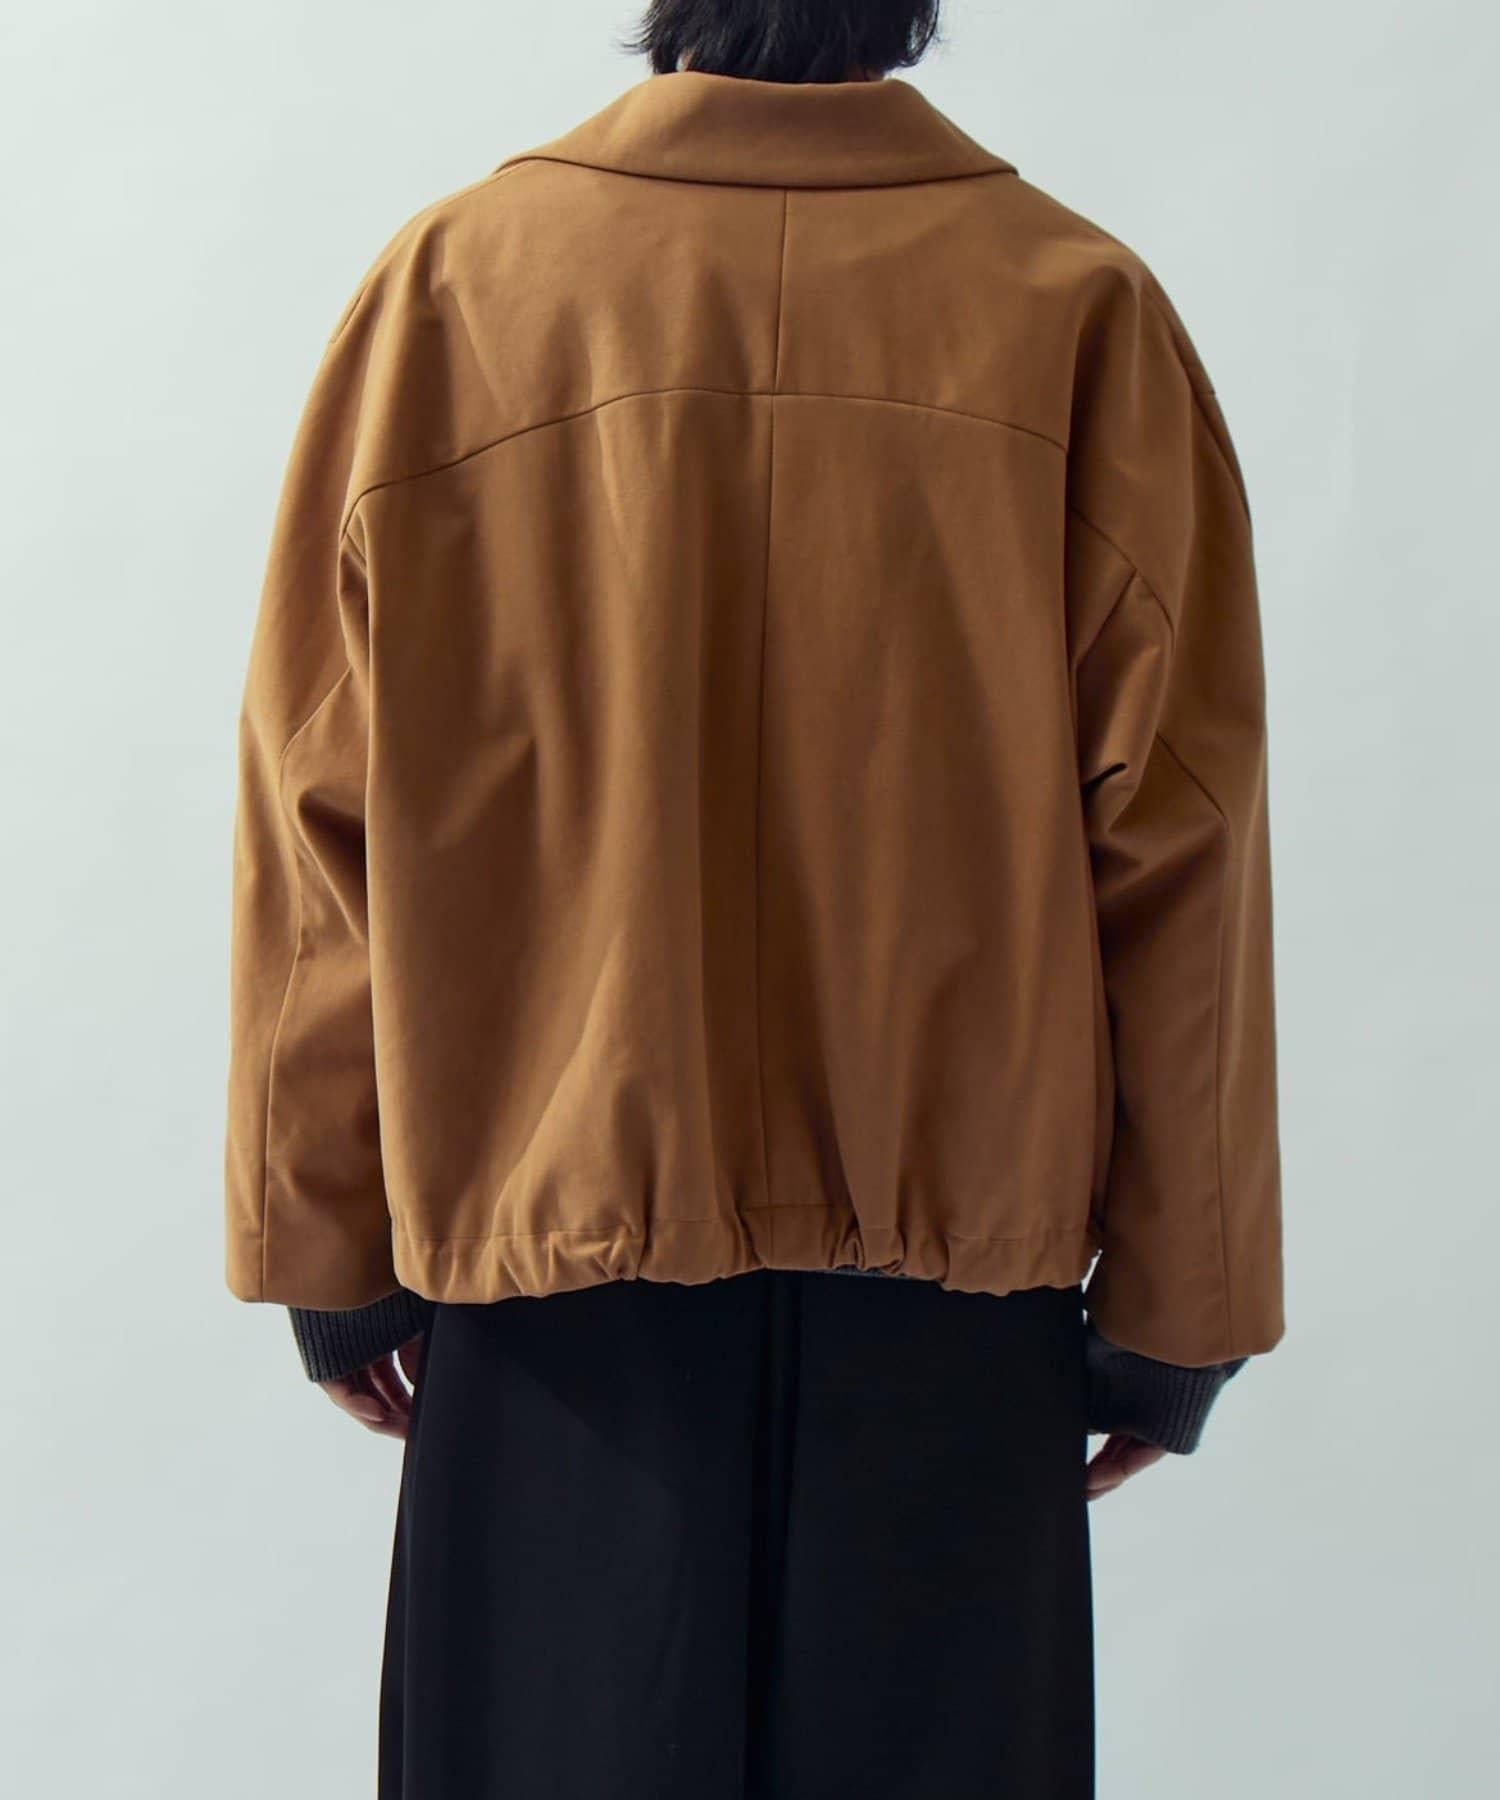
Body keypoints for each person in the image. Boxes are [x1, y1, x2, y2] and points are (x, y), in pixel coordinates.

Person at [224, 3, 1285, 1793]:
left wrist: (318, 1237)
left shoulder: (457, 292)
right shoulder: (1074, 305)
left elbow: (318, 791)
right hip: (956, 1319)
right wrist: (1183, 1304)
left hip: (554, 1295)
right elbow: (1182, 838)